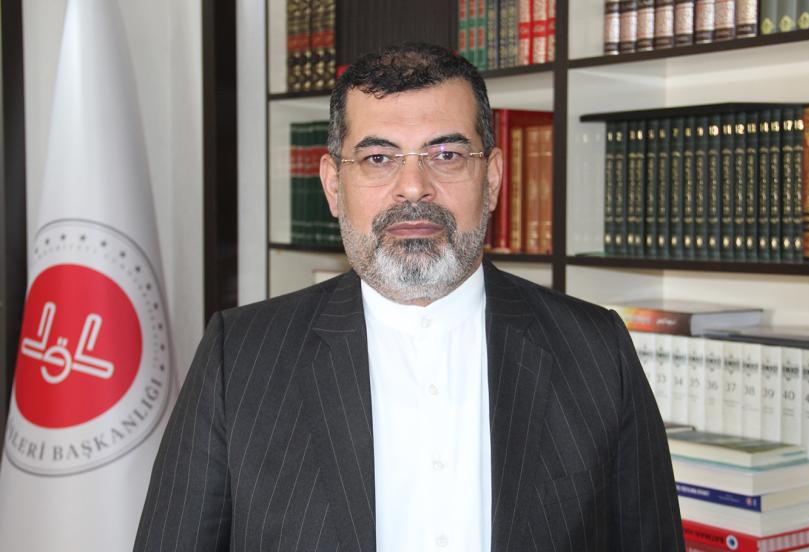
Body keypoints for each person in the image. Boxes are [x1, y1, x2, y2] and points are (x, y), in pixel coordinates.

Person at [134, 43, 683, 551]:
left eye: (446, 154)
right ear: (333, 185)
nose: (415, 187)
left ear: (492, 179)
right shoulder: (240, 358)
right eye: (379, 158)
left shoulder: (595, 351)